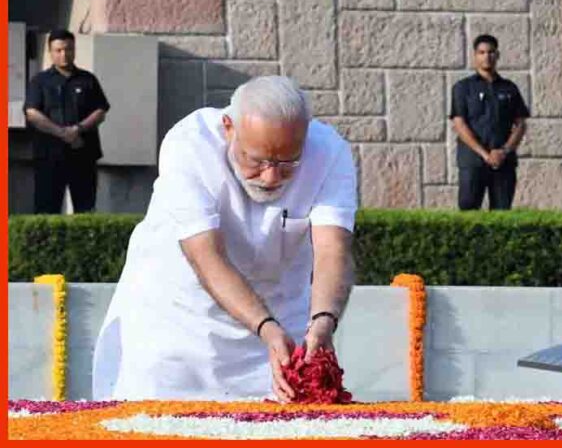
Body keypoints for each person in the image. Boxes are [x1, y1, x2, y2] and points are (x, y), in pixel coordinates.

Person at [92, 76, 358, 402]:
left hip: (281, 330)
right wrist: (266, 327)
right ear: (229, 128)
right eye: (257, 160)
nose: (271, 177)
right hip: (177, 322)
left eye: (288, 163)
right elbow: (206, 255)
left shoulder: (329, 151)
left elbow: (333, 248)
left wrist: (322, 321)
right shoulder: (189, 144)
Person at [23, 29, 110, 213]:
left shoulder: (88, 80)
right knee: (46, 209)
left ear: (74, 49)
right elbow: (32, 113)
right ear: (50, 52)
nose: (64, 55)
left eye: (68, 49)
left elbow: (100, 110)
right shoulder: (40, 81)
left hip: (83, 154)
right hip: (49, 156)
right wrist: (62, 133)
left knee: (85, 208)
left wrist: (78, 129)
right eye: (59, 50)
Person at [449, 34, 530, 210]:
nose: (487, 56)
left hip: (504, 162)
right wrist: (486, 155)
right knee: (468, 212)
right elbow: (459, 125)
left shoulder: (509, 88)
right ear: (475, 56)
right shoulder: (463, 88)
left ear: (497, 55)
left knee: (502, 214)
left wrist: (504, 151)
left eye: (491, 52)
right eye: (482, 52)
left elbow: (520, 124)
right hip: (473, 161)